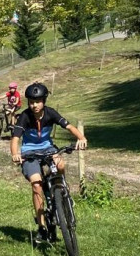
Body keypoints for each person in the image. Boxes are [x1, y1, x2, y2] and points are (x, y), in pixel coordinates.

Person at [10, 82, 87, 243]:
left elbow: (69, 126)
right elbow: (15, 138)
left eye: (37, 101)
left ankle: (63, 190)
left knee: (60, 164)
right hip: (29, 153)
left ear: (44, 101)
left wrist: (81, 138)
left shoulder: (50, 113)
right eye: (31, 101)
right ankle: (42, 227)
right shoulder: (24, 116)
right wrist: (15, 153)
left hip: (48, 149)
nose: (34, 105)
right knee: (36, 184)